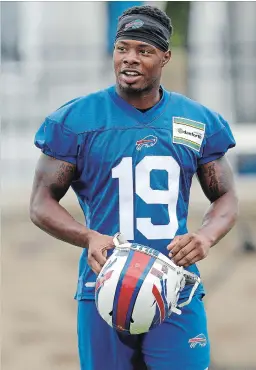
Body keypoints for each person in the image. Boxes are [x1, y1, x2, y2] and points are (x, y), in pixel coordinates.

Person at [30, 5, 238, 370]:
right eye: (123, 47)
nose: (130, 59)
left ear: (165, 57)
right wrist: (88, 237)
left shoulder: (195, 121)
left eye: (144, 51)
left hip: (176, 285)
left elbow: (225, 196)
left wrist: (206, 236)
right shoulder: (77, 120)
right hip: (105, 285)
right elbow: (41, 203)